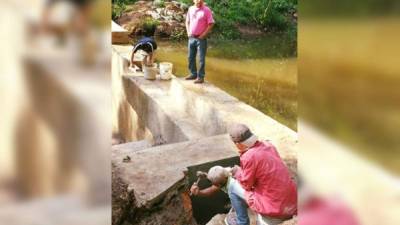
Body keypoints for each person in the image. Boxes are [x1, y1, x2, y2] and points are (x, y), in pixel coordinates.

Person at [191, 123, 297, 225]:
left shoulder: (249, 156)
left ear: (238, 144)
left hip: (274, 207)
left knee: (231, 185)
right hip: (290, 201)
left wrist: (237, 172)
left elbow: (246, 184)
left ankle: (242, 222)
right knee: (233, 184)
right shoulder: (268, 145)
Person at [185, 0, 215, 84]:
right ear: (193, 0)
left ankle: (201, 77)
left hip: (201, 39)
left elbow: (211, 23)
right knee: (190, 57)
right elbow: (187, 21)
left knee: (201, 59)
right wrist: (188, 32)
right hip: (191, 37)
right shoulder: (190, 9)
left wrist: (204, 34)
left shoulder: (206, 10)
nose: (199, 1)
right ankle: (193, 74)